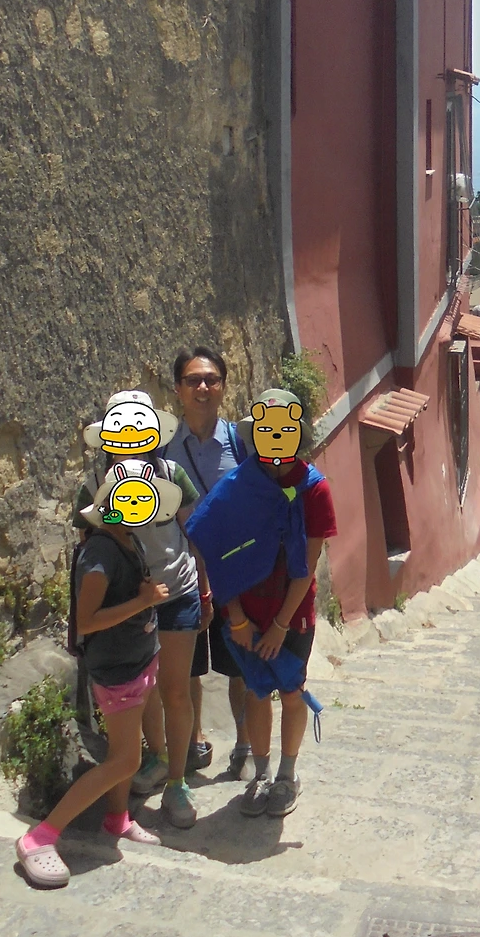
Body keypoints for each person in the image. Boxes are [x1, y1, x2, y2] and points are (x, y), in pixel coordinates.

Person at [17, 463, 170, 888]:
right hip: (118, 669)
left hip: (138, 659)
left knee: (124, 749)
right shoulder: (101, 553)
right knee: (126, 760)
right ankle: (39, 837)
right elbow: (88, 620)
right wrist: (143, 603)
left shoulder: (127, 537)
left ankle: (116, 818)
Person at [74, 389, 206, 830]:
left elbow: (194, 533)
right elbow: (89, 545)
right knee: (144, 688)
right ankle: (157, 757)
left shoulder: (171, 475)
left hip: (177, 593)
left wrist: (206, 590)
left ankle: (177, 783)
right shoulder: (94, 485)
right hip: (129, 603)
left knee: (175, 690)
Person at [217, 386, 337, 818]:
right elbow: (220, 553)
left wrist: (281, 626)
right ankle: (262, 774)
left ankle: (287, 776)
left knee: (290, 691)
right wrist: (236, 618)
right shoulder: (238, 487)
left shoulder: (313, 489)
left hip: (292, 616)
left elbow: (307, 564)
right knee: (255, 691)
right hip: (246, 614)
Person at [165, 346, 251, 776]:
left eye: (211, 379)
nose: (203, 387)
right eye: (193, 380)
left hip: (233, 574)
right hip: (182, 574)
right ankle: (195, 740)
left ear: (223, 386)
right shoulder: (161, 449)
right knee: (188, 668)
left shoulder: (241, 443)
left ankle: (245, 745)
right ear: (178, 389)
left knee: (240, 666)